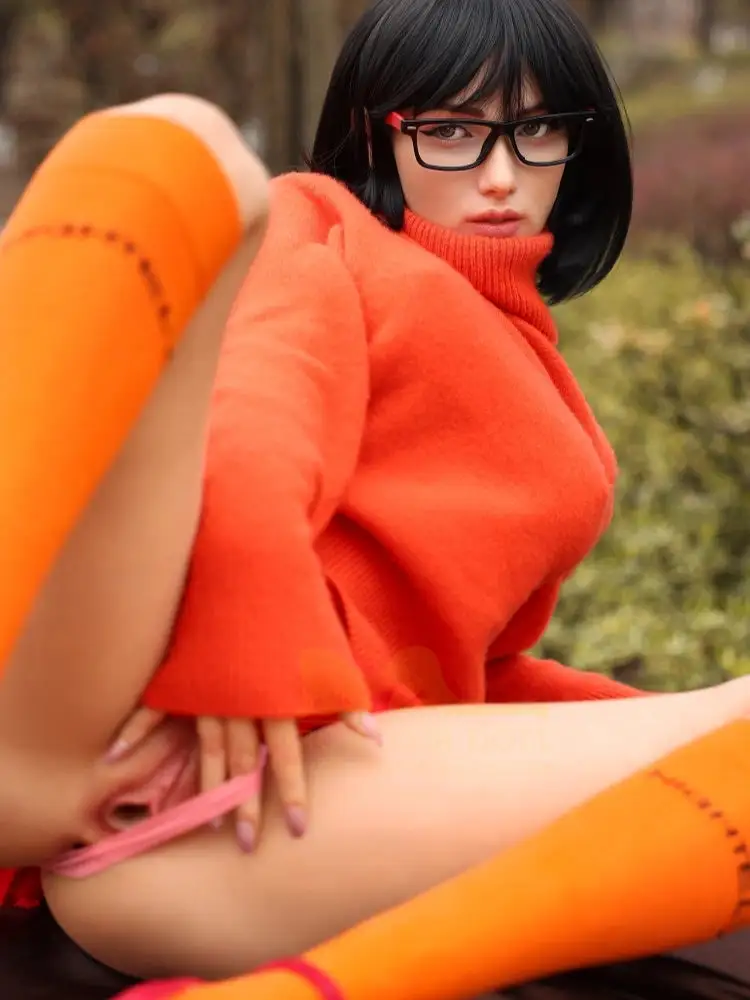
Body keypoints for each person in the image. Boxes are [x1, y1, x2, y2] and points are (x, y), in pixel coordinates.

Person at [0, 0, 747, 986]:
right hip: (198, 737)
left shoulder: (542, 380)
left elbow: (472, 666)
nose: (499, 174)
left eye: (536, 130)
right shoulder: (329, 230)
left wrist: (646, 723)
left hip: (308, 802)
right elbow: (256, 410)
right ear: (377, 136)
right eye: (451, 132)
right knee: (188, 146)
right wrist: (240, 640)